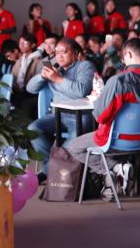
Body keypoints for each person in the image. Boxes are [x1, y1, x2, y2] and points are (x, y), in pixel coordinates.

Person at [64, 38, 140, 197]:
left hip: (116, 140)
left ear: (128, 54)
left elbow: (101, 116)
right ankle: (117, 175)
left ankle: (115, 168)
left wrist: (99, 102)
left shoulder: (118, 81)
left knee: (74, 147)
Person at [26, 37, 96, 178]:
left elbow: (81, 91)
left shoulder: (85, 66)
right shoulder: (55, 69)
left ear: (76, 53)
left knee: (73, 140)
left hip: (81, 116)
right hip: (57, 115)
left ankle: (48, 172)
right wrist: (42, 76)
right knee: (33, 129)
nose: (59, 56)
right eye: (57, 52)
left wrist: (57, 79)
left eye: (64, 51)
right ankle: (53, 169)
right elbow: (30, 89)